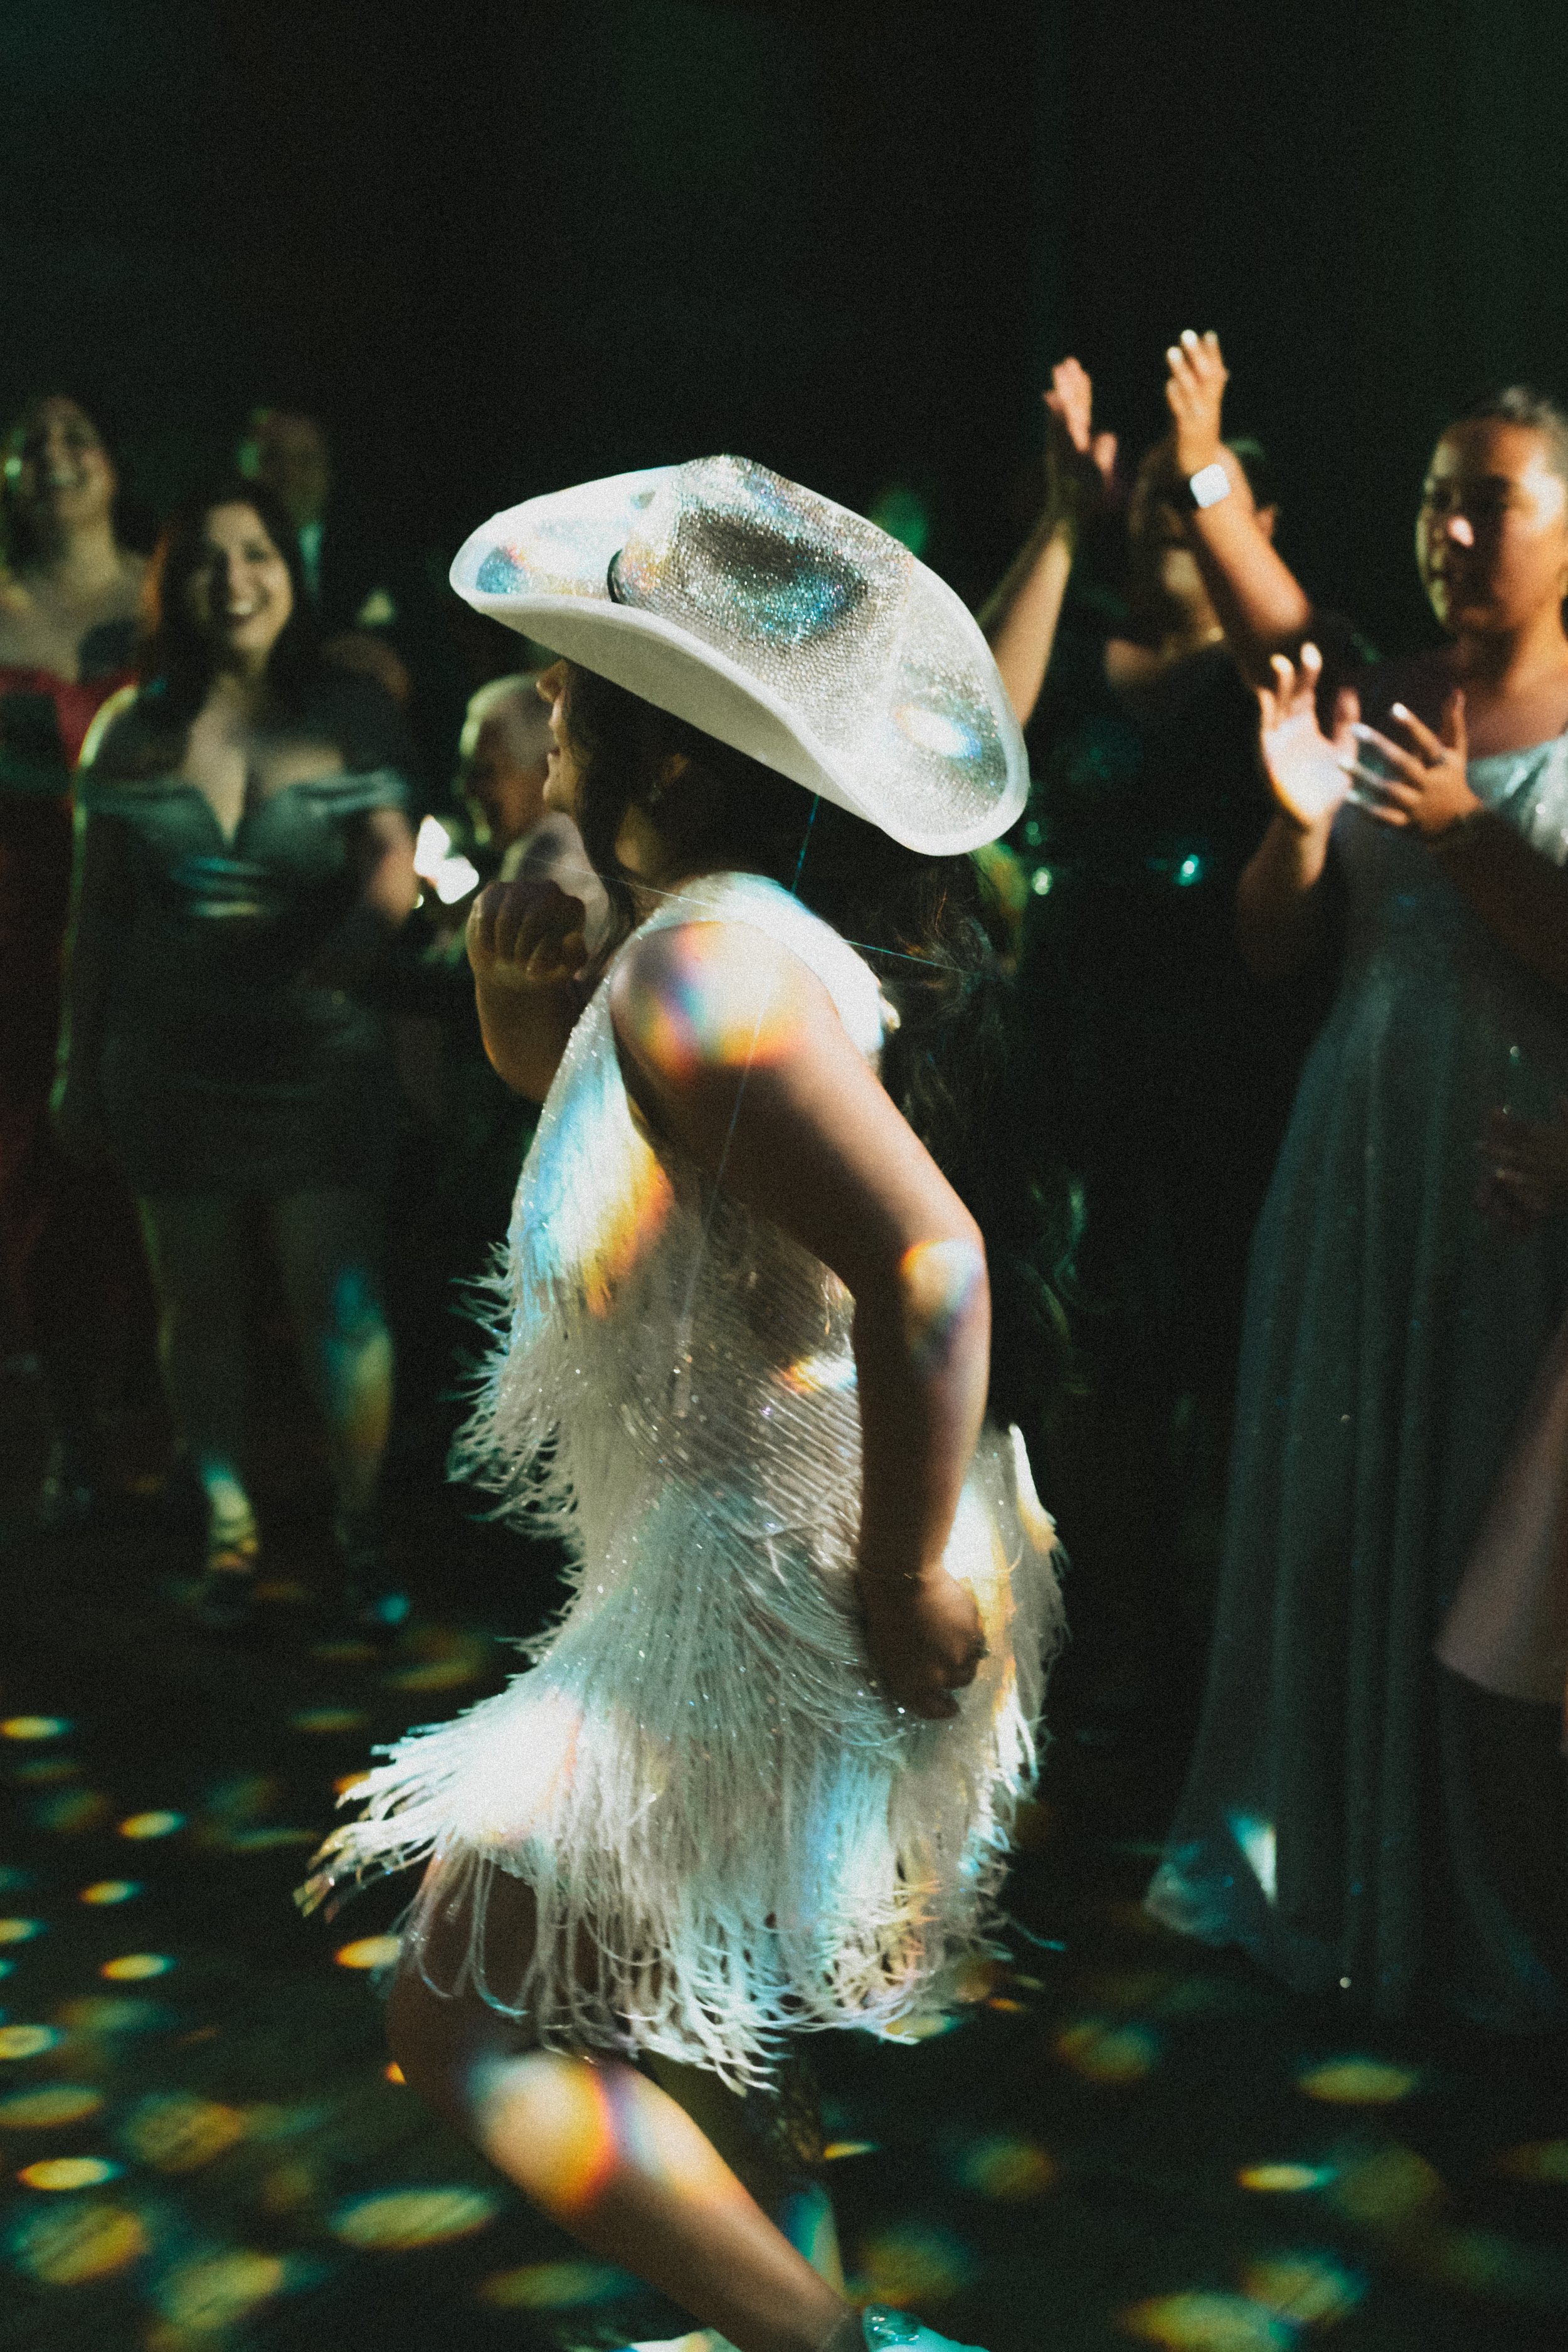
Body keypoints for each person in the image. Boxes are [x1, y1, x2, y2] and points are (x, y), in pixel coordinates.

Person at [302, 456, 1066, 2352]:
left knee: (459, 2021)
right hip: (755, 1555)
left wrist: (899, 1579)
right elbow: (678, 1184)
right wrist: (521, 1032)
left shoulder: (702, 966)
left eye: (576, 684)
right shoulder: (711, 943)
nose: (545, 706)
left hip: (768, 1585)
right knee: (704, 2033)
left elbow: (934, 1265)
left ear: (659, 745)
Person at [1146, 344, 1568, 2026]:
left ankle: (1481, 1910)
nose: (1450, 532)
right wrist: (1296, 829)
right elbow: (1273, 945)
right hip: (1356, 1149)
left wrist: (1463, 828)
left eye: (1490, 503)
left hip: (1511, 1176)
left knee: (1482, 1556)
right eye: (1432, 501)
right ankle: (1326, 1878)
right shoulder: (1382, 691)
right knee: (1333, 1520)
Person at [980, 357, 1332, 1725]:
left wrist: (1199, 470)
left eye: (1196, 501)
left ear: (1254, 518)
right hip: (1079, 1051)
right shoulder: (1078, 660)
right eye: (1152, 503)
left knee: (1233, 1361)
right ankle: (1126, 1641)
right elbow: (977, 719)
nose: (1166, 520)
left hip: (1235, 1055)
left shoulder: (1279, 670)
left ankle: (1239, 1663)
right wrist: (1063, 520)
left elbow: (1301, 655)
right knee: (1098, 1365)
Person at [55, 479, 418, 1619]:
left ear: (289, 572)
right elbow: (96, 918)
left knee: (339, 1304)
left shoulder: (349, 711)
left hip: (317, 1064)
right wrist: (75, 1067)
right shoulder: (129, 731)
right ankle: (229, 1525)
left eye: (257, 552)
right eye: (209, 559)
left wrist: (356, 944)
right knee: (197, 1306)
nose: (235, 578)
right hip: (169, 1063)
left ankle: (362, 1532)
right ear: (175, 585)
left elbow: (395, 861)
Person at [0, 393, 156, 1524]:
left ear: (112, 465)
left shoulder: (167, 592)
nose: (54, 456)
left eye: (77, 438)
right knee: (29, 1167)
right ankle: (68, 1426)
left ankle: (156, 1414)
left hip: (143, 915)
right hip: (11, 918)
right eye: (32, 443)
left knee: (144, 1157)